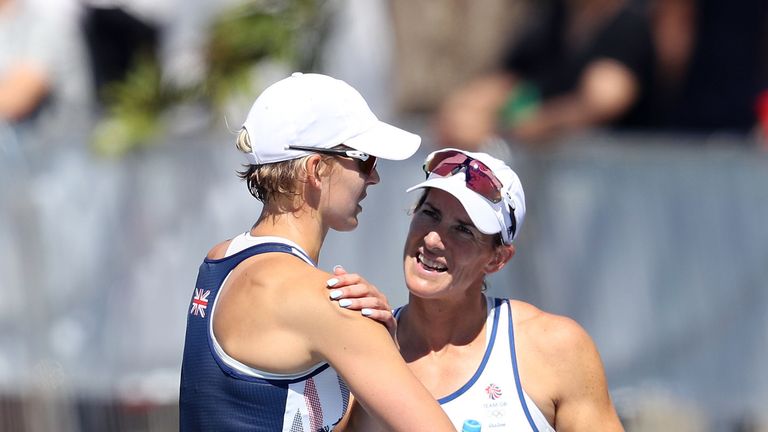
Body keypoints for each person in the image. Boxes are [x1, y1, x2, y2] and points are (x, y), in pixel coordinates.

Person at [178, 72, 455, 431]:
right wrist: (370, 341)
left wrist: (378, 350)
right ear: (315, 169)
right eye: (366, 160)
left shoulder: (219, 261)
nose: (374, 178)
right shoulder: (329, 307)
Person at [332, 149, 625, 430]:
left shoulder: (554, 347)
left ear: (497, 259)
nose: (433, 240)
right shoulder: (364, 347)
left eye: (463, 230)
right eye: (430, 213)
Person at [435, 0, 655, 150]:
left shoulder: (629, 24)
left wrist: (524, 127)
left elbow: (604, 100)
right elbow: (510, 78)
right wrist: (463, 110)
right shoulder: (553, 19)